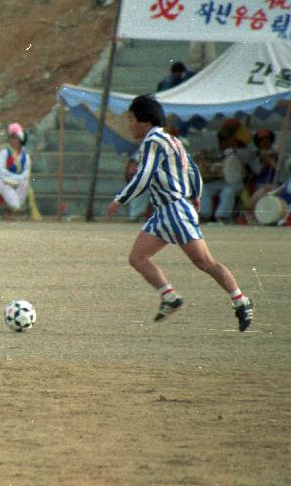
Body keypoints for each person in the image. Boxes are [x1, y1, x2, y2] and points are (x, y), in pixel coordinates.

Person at [107, 95, 253, 332]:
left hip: (173, 209)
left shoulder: (151, 141)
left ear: (144, 121)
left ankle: (241, 302)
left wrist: (119, 200)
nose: (130, 124)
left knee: (204, 262)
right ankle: (170, 297)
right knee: (137, 258)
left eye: (131, 119)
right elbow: (193, 170)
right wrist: (195, 193)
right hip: (163, 213)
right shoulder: (172, 141)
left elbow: (143, 176)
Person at [0, 123, 31, 219]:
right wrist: (12, 178)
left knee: (25, 184)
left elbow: (26, 171)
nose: (14, 140)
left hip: (18, 179)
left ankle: (14, 207)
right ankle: (16, 207)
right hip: (2, 179)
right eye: (12, 138)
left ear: (20, 139)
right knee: (6, 186)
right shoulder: (4, 152)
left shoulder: (25, 155)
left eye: (16, 138)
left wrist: (18, 178)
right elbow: (0, 170)